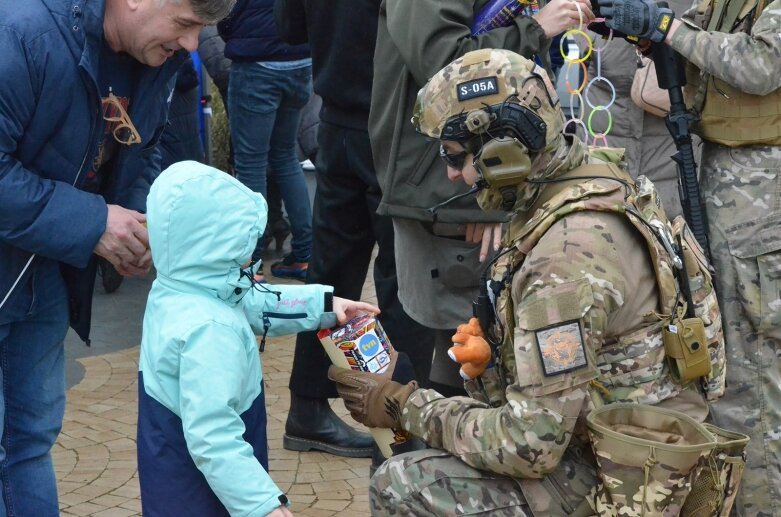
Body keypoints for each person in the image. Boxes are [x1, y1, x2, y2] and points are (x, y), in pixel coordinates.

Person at [330, 49, 730, 515]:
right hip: (642, 453)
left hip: (628, 485)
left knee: (405, 482)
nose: (451, 174)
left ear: (504, 149)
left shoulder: (564, 260)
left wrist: (406, 405)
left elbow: (530, 445)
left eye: (455, 156)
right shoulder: (597, 179)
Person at [0, 0, 234, 513]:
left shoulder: (155, 57)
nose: (193, 45)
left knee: (29, 442)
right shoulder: (21, 34)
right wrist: (94, 223)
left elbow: (143, 149)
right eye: (187, 23)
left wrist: (134, 225)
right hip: (34, 259)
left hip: (45, 272)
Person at [596, 0, 781, 514]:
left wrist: (669, 27)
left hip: (762, 192)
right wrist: (655, 39)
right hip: (728, 177)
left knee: (754, 379)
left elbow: (762, 66)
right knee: (733, 373)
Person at [369, 0, 596, 396]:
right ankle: (421, 451)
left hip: (484, 178)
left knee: (470, 352)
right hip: (454, 188)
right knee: (465, 345)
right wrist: (536, 28)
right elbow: (447, 69)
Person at [137, 161, 378, 516]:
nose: (254, 251)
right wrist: (261, 504)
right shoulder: (210, 330)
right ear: (212, 245)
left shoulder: (181, 285)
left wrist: (326, 306)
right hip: (200, 491)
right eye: (244, 241)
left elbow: (254, 302)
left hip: (168, 463)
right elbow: (213, 437)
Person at [273, 0, 435, 459]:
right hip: (394, 123)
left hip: (337, 121)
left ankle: (307, 409)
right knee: (406, 272)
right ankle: (403, 427)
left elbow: (288, 27)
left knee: (329, 271)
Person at [218, 0, 313, 281]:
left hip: (256, 61)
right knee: (285, 157)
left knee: (250, 163)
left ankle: (251, 262)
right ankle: (306, 254)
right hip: (300, 59)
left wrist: (231, 31)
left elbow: (223, 10)